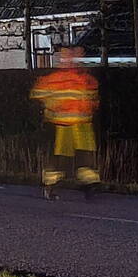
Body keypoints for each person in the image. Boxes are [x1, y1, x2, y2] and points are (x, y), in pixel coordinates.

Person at [30, 46, 100, 200]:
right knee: (61, 159)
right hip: (62, 126)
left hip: (82, 125)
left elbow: (93, 100)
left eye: (73, 57)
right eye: (67, 57)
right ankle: (50, 186)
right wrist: (50, 106)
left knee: (86, 158)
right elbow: (37, 94)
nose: (71, 60)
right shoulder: (55, 79)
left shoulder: (85, 79)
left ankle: (89, 187)